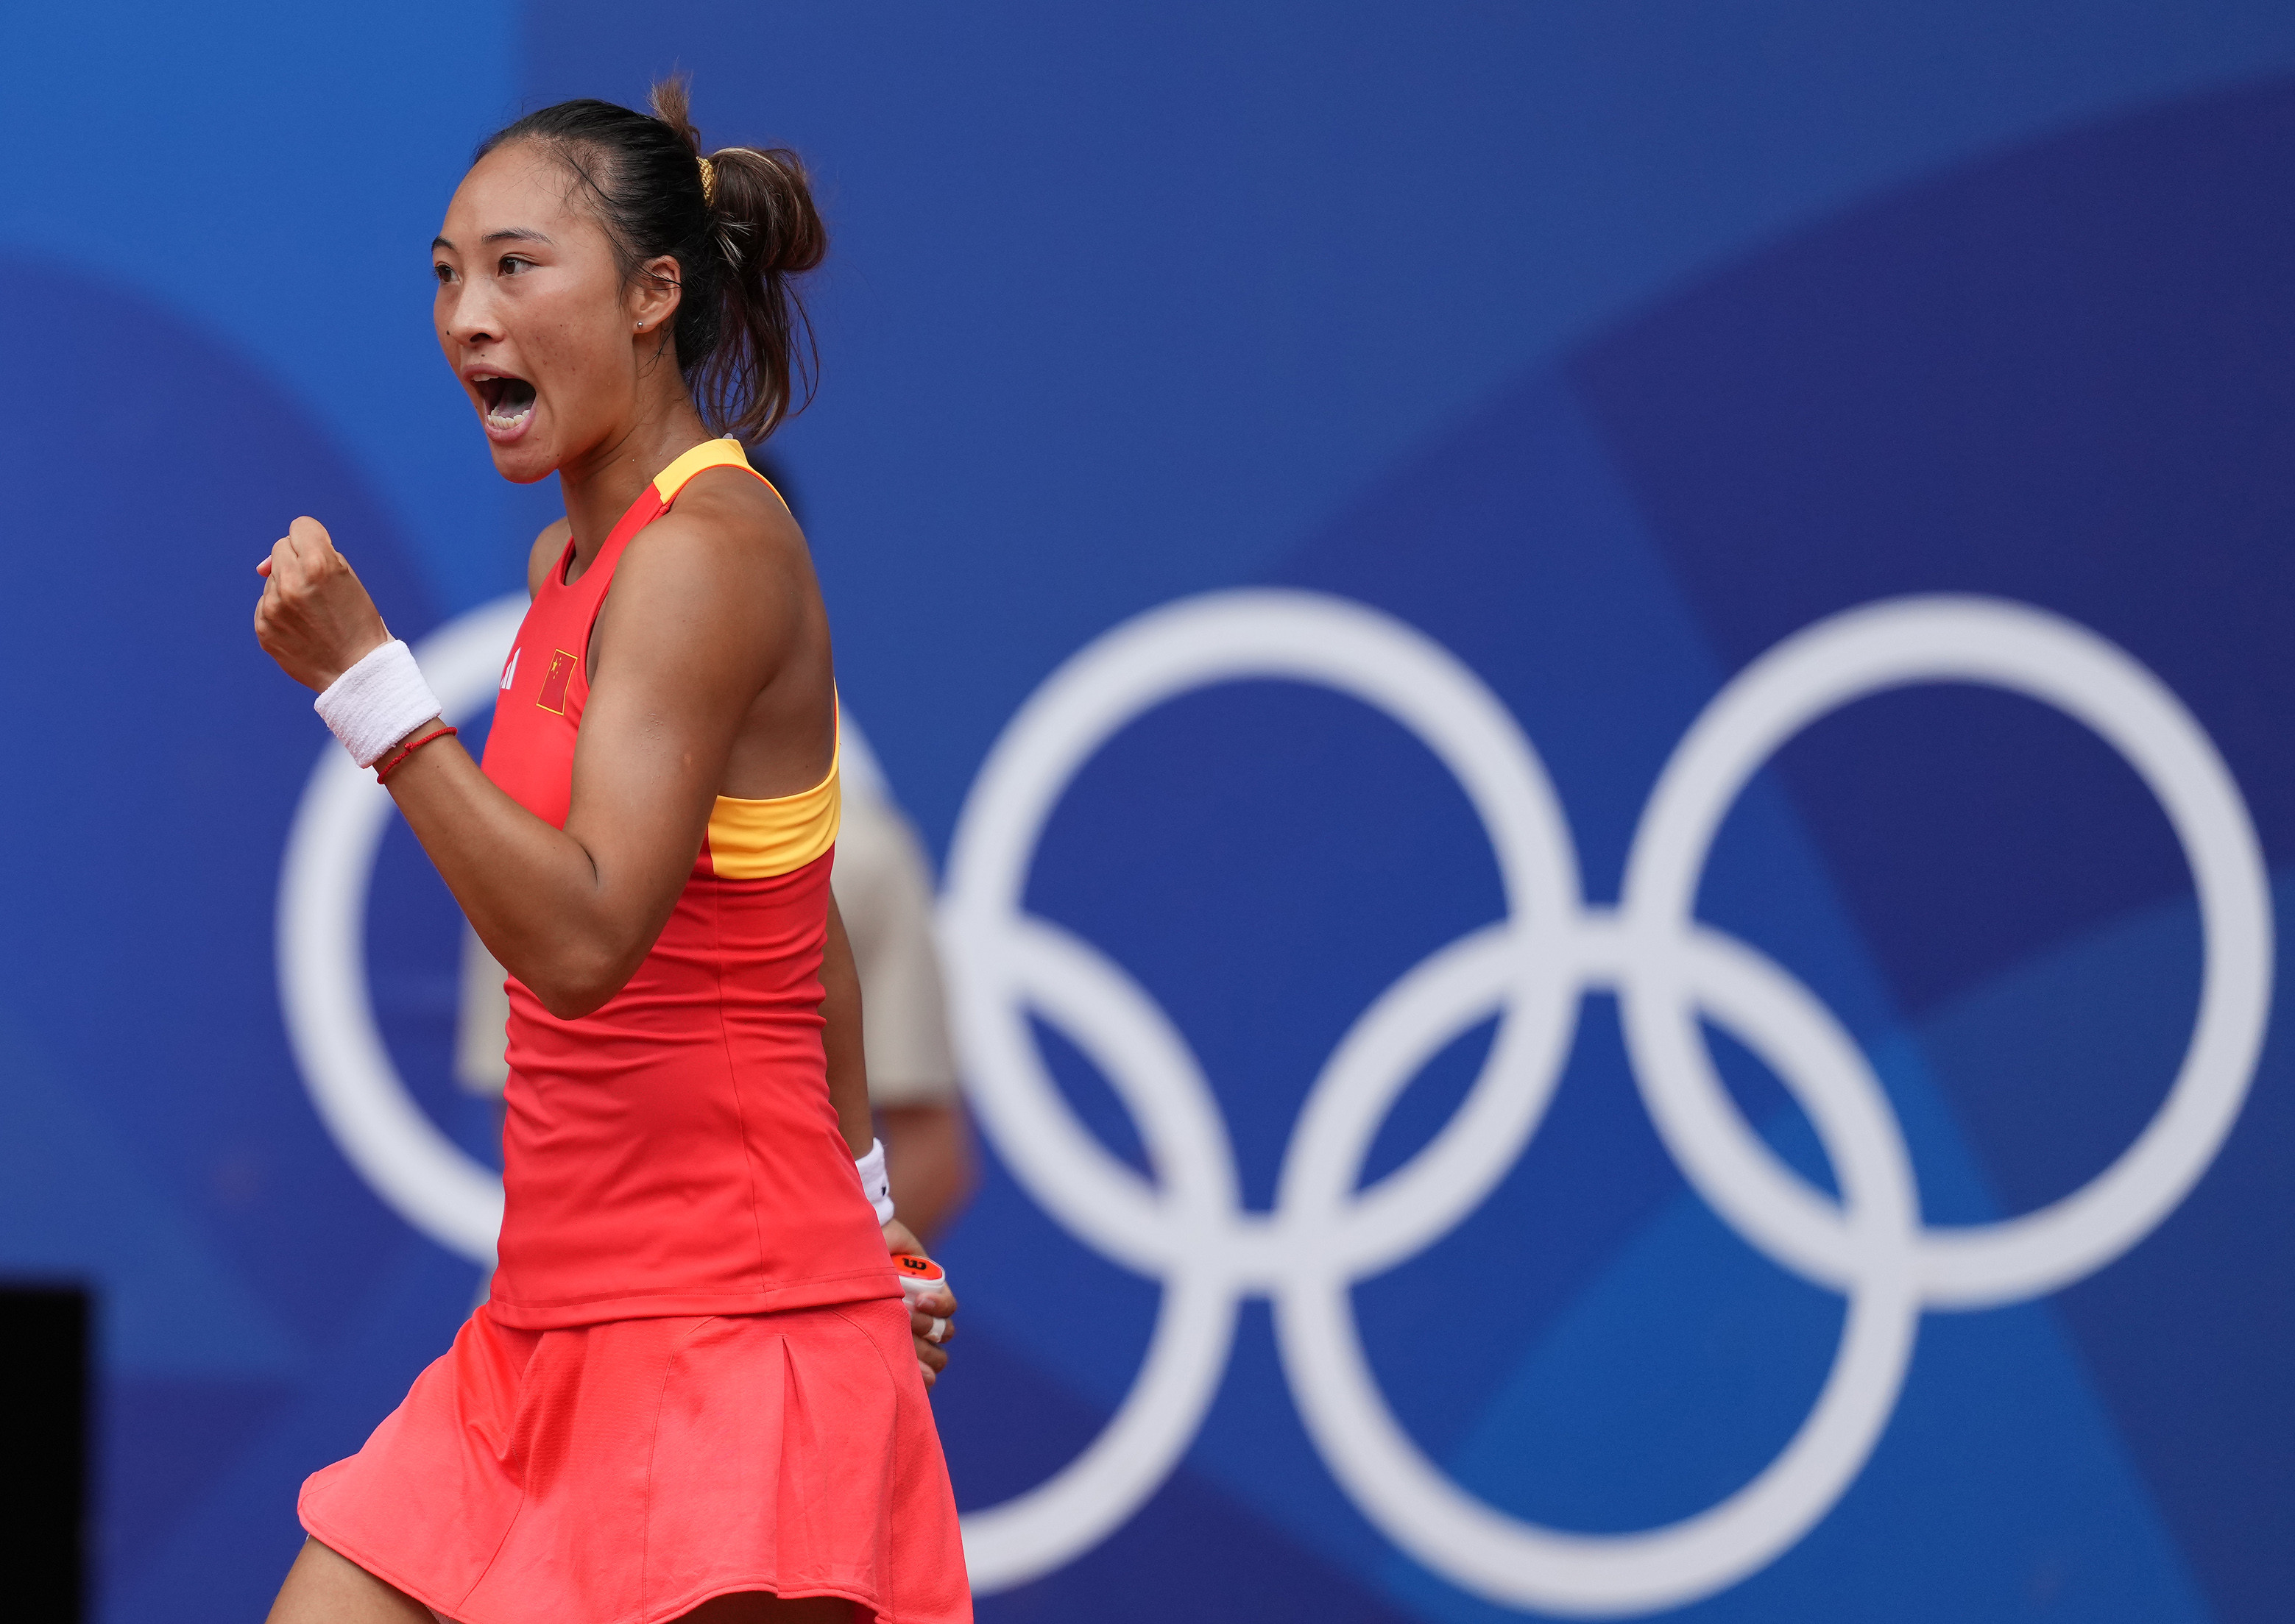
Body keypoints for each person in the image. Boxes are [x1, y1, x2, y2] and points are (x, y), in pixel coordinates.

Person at [252, 81, 969, 1624]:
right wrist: (866, 1190)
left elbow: (581, 948)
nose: (465, 315)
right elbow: (802, 910)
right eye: (445, 273)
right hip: (548, 1332)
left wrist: (371, 690)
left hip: (729, 1335)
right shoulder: (573, 560)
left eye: (516, 267)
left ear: (656, 296)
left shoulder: (710, 554)